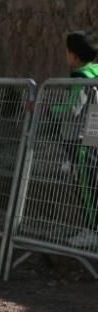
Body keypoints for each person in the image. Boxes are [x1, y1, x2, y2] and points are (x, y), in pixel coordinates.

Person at [53, 32, 98, 248]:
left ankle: (93, 231)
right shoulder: (96, 72)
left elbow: (73, 108)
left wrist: (48, 108)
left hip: (79, 141)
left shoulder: (80, 77)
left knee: (86, 189)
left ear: (74, 55)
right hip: (93, 138)